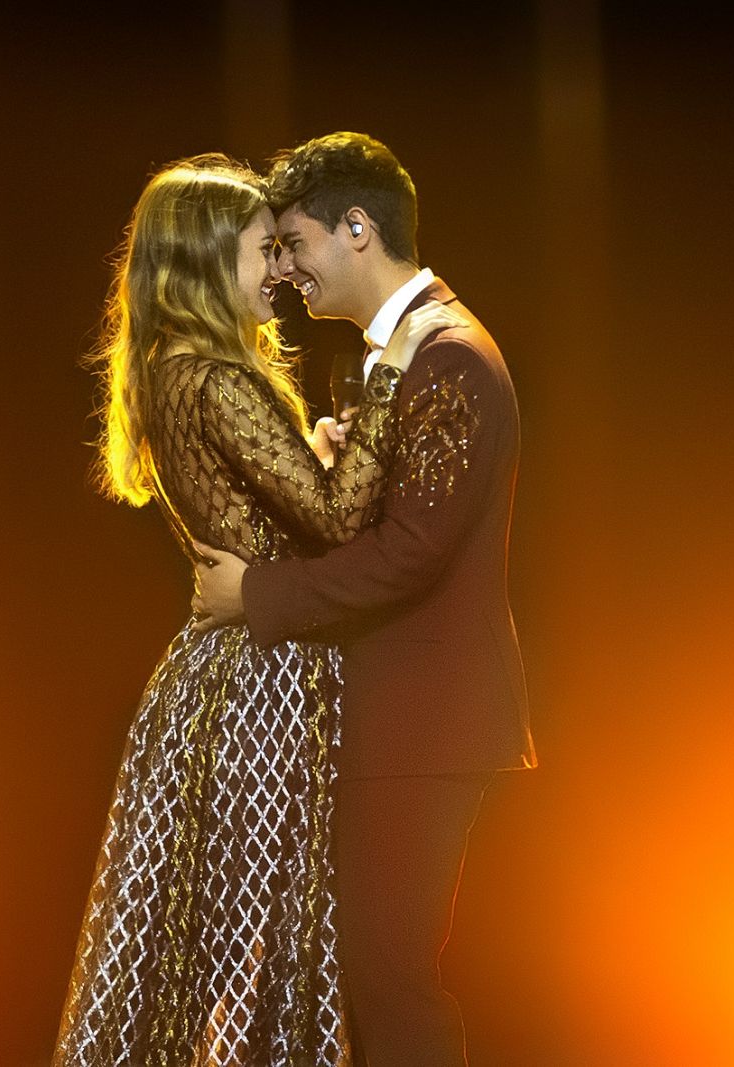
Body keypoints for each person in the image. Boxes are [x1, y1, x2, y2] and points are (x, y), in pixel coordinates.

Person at [53, 153, 456, 1066]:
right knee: (260, 949)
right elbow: (338, 516)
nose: (278, 271)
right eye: (262, 251)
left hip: (216, 682)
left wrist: (310, 449)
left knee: (215, 955)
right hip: (262, 685)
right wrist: (388, 375)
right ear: (204, 263)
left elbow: (281, 504)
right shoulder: (220, 377)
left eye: (283, 248)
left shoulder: (170, 370)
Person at [192, 132, 537, 1067]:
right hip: (402, 721)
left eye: (293, 242)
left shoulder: (450, 357)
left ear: (357, 228)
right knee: (369, 979)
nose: (286, 268)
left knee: (388, 980)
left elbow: (412, 555)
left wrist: (254, 594)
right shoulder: (414, 354)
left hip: (424, 723)